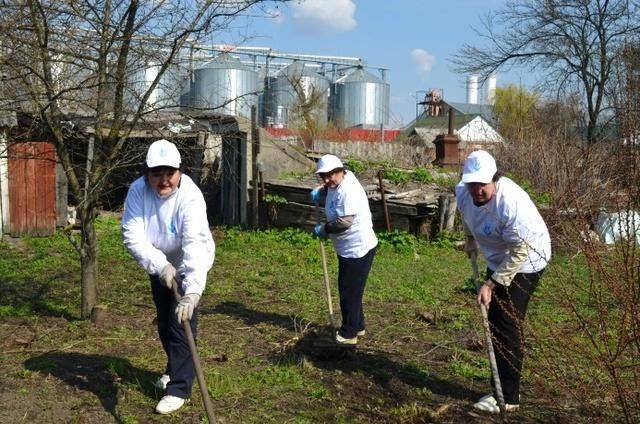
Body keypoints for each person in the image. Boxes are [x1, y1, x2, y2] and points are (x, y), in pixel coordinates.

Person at [122, 139, 215, 415]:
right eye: (156, 174)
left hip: (188, 262)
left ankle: (179, 389)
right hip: (158, 263)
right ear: (146, 173)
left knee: (181, 325)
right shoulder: (138, 191)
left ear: (180, 172)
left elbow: (195, 243)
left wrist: (193, 289)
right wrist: (161, 266)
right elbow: (133, 235)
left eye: (169, 173)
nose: (164, 180)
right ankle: (174, 369)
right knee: (165, 322)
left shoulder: (190, 196)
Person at [456, 150, 551, 414]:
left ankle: (508, 396)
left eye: (482, 185)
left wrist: (491, 283)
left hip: (528, 258)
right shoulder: (463, 192)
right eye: (472, 185)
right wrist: (470, 239)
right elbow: (467, 215)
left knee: (505, 322)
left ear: (494, 179)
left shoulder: (510, 203)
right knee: (496, 317)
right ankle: (503, 387)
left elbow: (520, 251)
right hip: (498, 255)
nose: (477, 191)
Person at [310, 154, 378, 345]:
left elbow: (344, 222)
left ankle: (349, 334)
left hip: (357, 248)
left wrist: (324, 229)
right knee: (353, 288)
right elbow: (330, 186)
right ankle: (358, 325)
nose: (326, 180)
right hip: (347, 247)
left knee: (349, 291)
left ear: (340, 171)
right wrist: (322, 191)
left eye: (329, 175)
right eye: (323, 176)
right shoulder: (338, 181)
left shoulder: (348, 190)